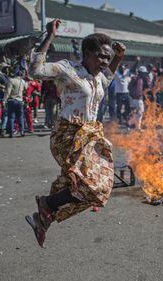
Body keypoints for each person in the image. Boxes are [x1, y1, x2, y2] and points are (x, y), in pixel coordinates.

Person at [26, 19, 126, 247]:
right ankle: (48, 205)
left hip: (90, 135)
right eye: (101, 56)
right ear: (87, 53)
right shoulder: (68, 70)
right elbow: (35, 71)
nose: (104, 61)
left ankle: (46, 212)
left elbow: (108, 78)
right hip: (67, 135)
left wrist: (118, 58)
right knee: (88, 184)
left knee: (99, 191)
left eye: (107, 58)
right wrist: (50, 36)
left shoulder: (100, 77)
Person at [5, 70, 27, 138]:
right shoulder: (22, 81)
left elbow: (8, 92)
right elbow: (26, 88)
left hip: (12, 100)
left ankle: (11, 132)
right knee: (20, 117)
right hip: (20, 101)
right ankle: (22, 131)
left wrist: (4, 100)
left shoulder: (11, 80)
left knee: (11, 117)